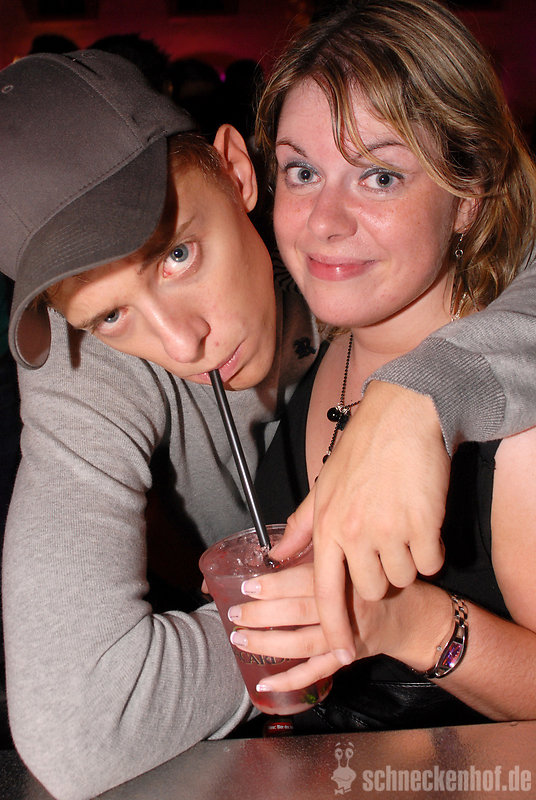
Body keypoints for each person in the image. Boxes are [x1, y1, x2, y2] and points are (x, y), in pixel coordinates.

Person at [1, 31, 536, 800]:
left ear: (235, 170)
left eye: (178, 255)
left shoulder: (345, 260)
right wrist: (313, 611)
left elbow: (508, 240)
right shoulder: (83, 364)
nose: (182, 343)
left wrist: (429, 390)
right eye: (111, 315)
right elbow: (78, 726)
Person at [226, 0, 536, 732]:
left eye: (380, 178)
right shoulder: (314, 349)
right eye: (302, 171)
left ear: (466, 198)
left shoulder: (516, 422)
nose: (324, 220)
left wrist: (407, 623)